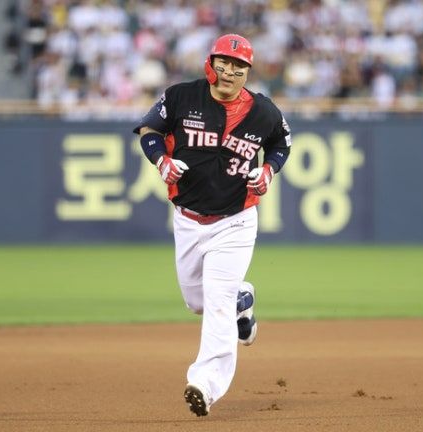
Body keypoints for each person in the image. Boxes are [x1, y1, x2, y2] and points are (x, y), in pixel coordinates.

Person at [132, 33, 292, 417]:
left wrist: (268, 170)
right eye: (225, 62)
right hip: (188, 219)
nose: (231, 71)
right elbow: (149, 130)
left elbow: (281, 142)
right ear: (211, 63)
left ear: (247, 72)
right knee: (197, 302)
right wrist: (161, 161)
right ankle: (242, 299)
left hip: (236, 221)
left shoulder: (263, 111)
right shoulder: (182, 96)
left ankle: (205, 384)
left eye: (240, 66)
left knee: (216, 303)